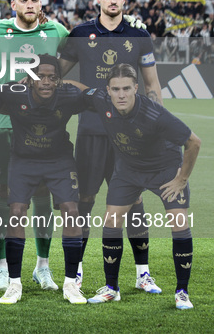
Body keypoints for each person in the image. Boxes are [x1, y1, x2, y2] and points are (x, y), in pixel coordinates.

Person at [59, 0, 164, 290]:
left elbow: (152, 85)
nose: (114, 0)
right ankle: (75, 272)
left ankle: (142, 274)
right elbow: (53, 75)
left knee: (133, 203)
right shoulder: (80, 34)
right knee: (84, 202)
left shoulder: (139, 36)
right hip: (91, 132)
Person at [0, 0, 69, 292]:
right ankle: (2, 268)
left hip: (45, 124)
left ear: (41, 4)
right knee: (4, 196)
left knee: (42, 195)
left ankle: (42, 267)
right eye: (24, 0)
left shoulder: (55, 31)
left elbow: (83, 51)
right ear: (13, 4)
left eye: (34, 0)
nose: (30, 4)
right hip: (4, 123)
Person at [74, 64, 200, 310]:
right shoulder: (101, 99)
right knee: (111, 221)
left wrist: (181, 179)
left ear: (135, 89)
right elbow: (83, 89)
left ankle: (182, 292)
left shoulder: (155, 114)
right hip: (129, 170)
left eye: (126, 89)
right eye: (116, 89)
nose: (121, 94)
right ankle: (112, 288)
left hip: (164, 169)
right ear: (108, 90)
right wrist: (58, 84)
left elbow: (193, 142)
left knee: (178, 222)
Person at [0, 55, 86, 305]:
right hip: (24, 160)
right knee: (16, 211)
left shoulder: (67, 94)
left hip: (59, 160)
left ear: (59, 79)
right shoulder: (15, 93)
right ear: (31, 79)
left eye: (52, 77)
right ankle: (14, 283)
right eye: (40, 76)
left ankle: (71, 284)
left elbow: (91, 94)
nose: (46, 82)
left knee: (71, 210)